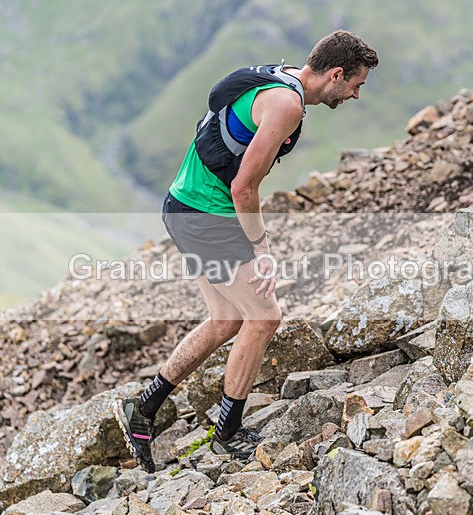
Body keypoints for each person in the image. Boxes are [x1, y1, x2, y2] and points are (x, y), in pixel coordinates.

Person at [115, 30, 378, 472]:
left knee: (226, 320)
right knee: (265, 317)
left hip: (184, 204)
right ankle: (228, 433)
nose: (355, 94)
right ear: (336, 74)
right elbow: (244, 187)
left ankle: (143, 409)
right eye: (357, 84)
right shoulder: (287, 106)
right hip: (205, 214)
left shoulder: (278, 77)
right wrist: (262, 249)